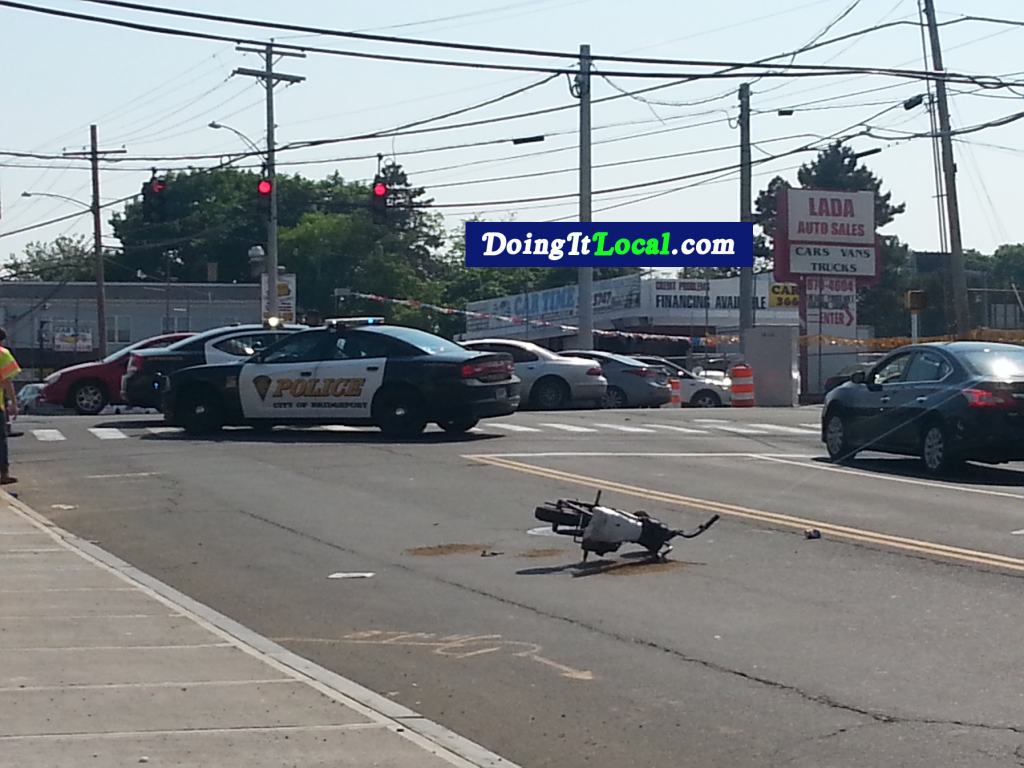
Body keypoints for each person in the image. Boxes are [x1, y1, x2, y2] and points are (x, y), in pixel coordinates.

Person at [0, 328, 21, 484]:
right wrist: (14, 403)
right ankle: (4, 474)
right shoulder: (2, 354)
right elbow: (7, 381)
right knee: (1, 440)